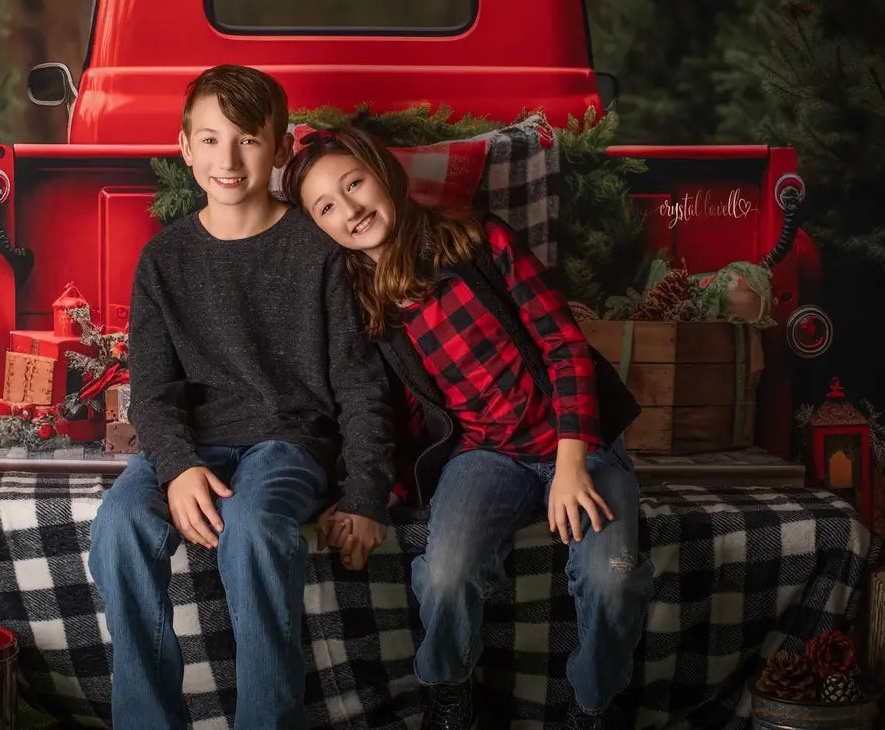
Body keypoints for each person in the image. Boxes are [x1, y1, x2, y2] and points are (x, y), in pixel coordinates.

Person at [285, 126, 654, 730]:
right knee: (447, 572)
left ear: (383, 172)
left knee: (613, 582)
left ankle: (594, 704)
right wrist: (371, 498)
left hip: (578, 444)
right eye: (327, 205)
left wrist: (570, 463)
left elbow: (565, 348)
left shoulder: (474, 241)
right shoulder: (364, 306)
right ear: (317, 226)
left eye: (355, 183)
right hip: (484, 455)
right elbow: (400, 420)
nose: (350, 209)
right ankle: (448, 691)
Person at [88, 68, 396, 730]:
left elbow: (360, 385)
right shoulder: (164, 259)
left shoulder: (318, 251)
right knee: (118, 525)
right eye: (211, 139)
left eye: (250, 141)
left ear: (281, 150)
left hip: (287, 443)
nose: (228, 160)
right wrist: (176, 467)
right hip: (194, 445)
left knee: (254, 529)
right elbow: (154, 393)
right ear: (185, 147)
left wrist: (367, 491)